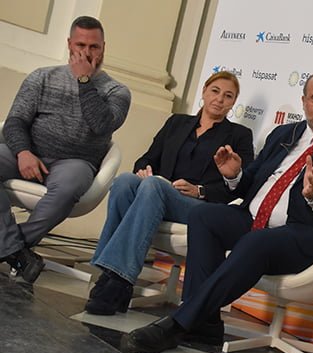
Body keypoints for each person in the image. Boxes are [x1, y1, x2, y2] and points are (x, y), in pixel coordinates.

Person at [123, 71, 313, 350]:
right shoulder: (284, 134)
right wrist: (234, 175)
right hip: (254, 218)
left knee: (257, 241)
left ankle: (179, 323)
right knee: (203, 216)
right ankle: (206, 326)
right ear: (304, 101)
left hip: (304, 233)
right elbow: (250, 184)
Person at [85, 71, 254, 315]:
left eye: (228, 96)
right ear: (204, 92)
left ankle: (119, 280)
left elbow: (241, 185)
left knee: (154, 186)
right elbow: (147, 158)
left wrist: (200, 190)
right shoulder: (177, 123)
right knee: (124, 182)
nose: (219, 99)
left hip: (198, 206)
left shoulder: (239, 136)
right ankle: (109, 274)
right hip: (155, 194)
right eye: (215, 91)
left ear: (234, 102)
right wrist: (144, 170)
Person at [0, 16, 131, 283]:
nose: (87, 53)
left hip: (75, 163)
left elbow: (101, 124)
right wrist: (23, 152)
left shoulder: (117, 91)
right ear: (69, 44)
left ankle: (11, 248)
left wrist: (84, 80)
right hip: (27, 153)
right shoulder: (42, 76)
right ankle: (17, 254)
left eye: (94, 47)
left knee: (69, 187)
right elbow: (15, 122)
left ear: (103, 48)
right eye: (80, 45)